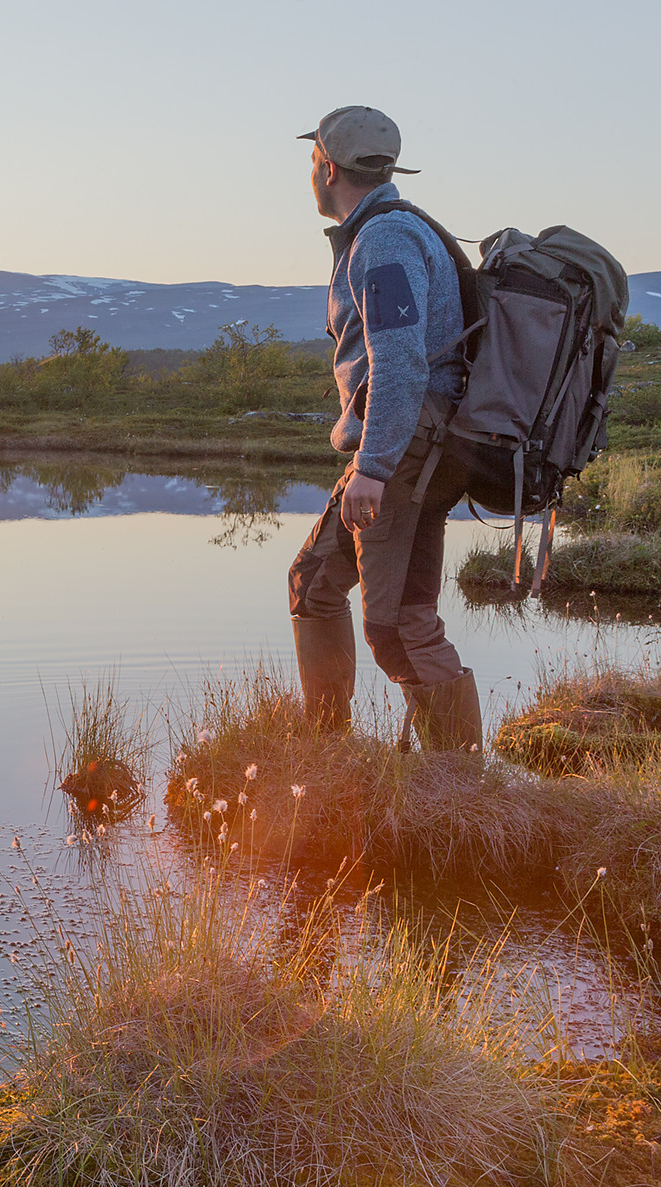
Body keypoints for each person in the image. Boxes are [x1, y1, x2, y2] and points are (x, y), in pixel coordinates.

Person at [286, 105, 481, 751]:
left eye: (312, 161)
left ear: (329, 168)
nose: (310, 175)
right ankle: (327, 750)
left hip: (406, 449)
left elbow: (400, 360)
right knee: (314, 582)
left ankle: (460, 782)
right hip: (407, 441)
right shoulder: (386, 232)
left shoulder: (386, 239)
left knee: (399, 626)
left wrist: (372, 467)